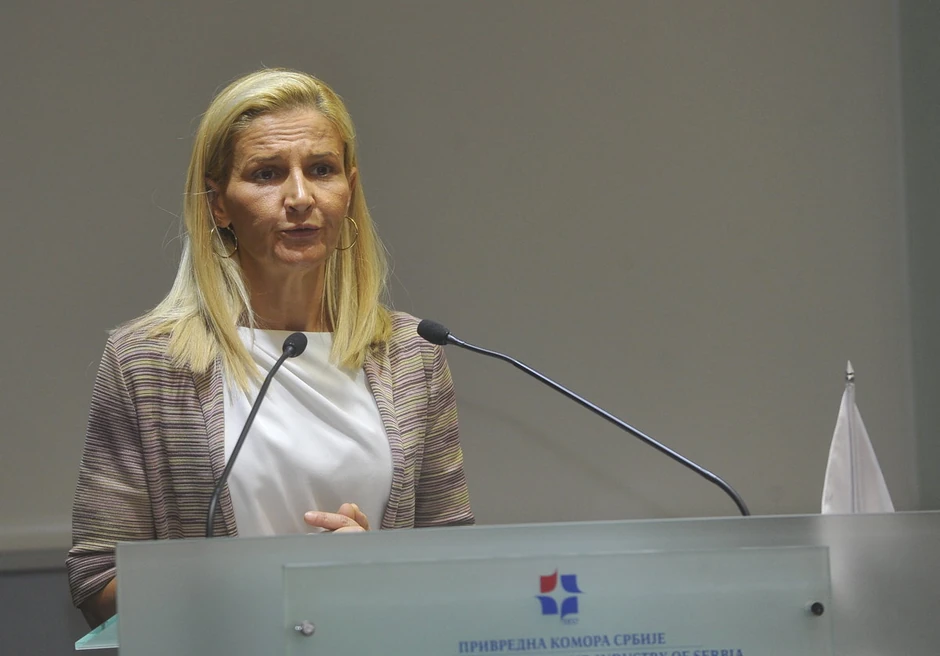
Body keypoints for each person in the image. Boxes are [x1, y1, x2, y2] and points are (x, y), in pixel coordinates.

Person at [66, 68, 474, 628]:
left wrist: (378, 566)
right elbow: (97, 582)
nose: (300, 197)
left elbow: (456, 567)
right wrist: (261, 578)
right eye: (267, 173)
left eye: (322, 170)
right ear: (218, 204)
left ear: (349, 190)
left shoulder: (411, 355)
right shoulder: (148, 361)